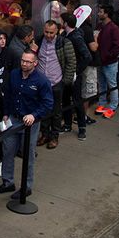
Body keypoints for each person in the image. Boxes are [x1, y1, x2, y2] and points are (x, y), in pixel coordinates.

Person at [0, 50, 53, 200]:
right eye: (23, 60)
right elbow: (8, 94)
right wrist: (6, 113)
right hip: (13, 119)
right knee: (8, 150)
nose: (24, 64)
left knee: (28, 154)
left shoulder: (42, 81)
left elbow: (48, 104)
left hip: (30, 123)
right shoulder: (14, 74)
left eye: (28, 61)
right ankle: (7, 182)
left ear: (35, 63)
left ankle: (27, 187)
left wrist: (34, 115)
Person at [35, 19, 73, 149]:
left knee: (56, 111)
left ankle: (54, 136)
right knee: (43, 110)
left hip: (56, 82)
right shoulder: (39, 40)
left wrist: (65, 82)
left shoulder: (64, 42)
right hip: (41, 82)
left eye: (51, 32)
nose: (49, 35)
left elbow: (71, 62)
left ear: (57, 31)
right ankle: (44, 135)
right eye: (46, 32)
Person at [59, 10, 91, 140]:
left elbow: (87, 56)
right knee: (66, 99)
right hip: (67, 73)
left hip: (74, 75)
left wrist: (76, 71)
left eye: (61, 21)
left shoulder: (75, 38)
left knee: (77, 100)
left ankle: (82, 128)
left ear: (66, 23)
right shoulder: (67, 35)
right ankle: (67, 124)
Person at [94, 5, 119, 118]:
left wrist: (109, 56)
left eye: (101, 12)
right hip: (101, 61)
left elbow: (118, 45)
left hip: (109, 62)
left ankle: (113, 106)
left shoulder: (113, 28)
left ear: (106, 14)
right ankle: (102, 103)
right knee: (102, 84)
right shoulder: (100, 26)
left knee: (112, 84)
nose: (98, 13)